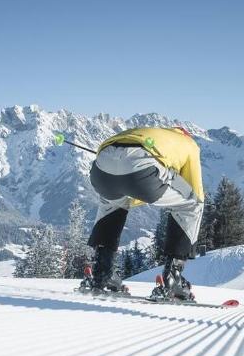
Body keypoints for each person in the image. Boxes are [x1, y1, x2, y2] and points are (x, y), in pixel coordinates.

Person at [82, 126, 205, 300]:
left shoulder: (148, 132)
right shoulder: (189, 144)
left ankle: (102, 273)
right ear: (186, 134)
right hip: (142, 170)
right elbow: (194, 188)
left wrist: (133, 188)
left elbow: (114, 164)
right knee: (192, 204)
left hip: (101, 170)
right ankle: (173, 279)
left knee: (112, 203)